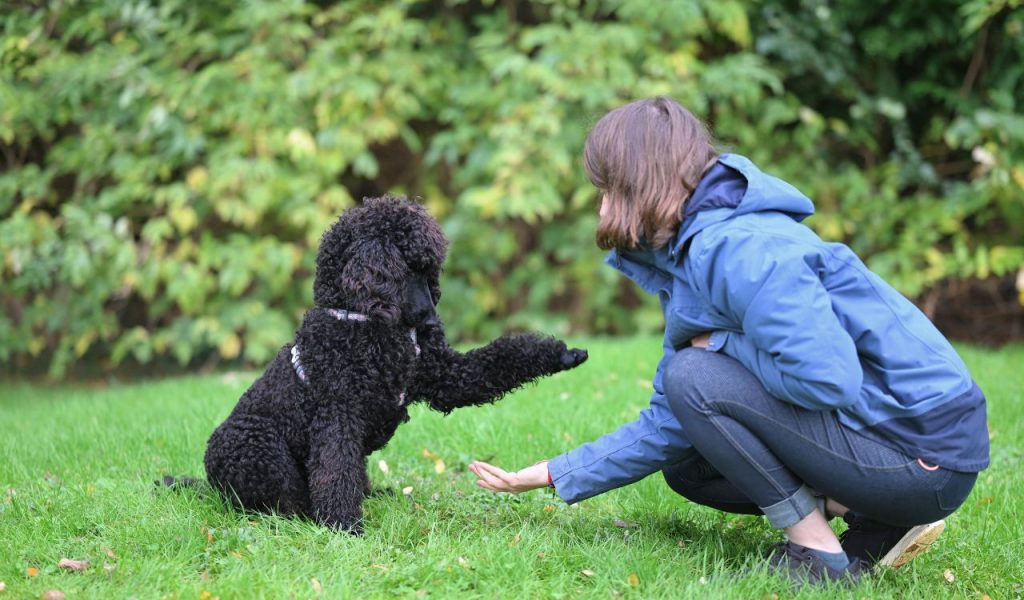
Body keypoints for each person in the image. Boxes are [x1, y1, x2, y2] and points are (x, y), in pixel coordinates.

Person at [468, 97, 989, 585]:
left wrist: (718, 349)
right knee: (688, 465)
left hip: (922, 458)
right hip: (899, 446)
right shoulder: (697, 250)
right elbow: (672, 419)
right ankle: (875, 520)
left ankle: (818, 552)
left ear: (640, 183)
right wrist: (553, 474)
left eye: (607, 191)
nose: (602, 211)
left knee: (692, 375)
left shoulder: (740, 248)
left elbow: (828, 379)